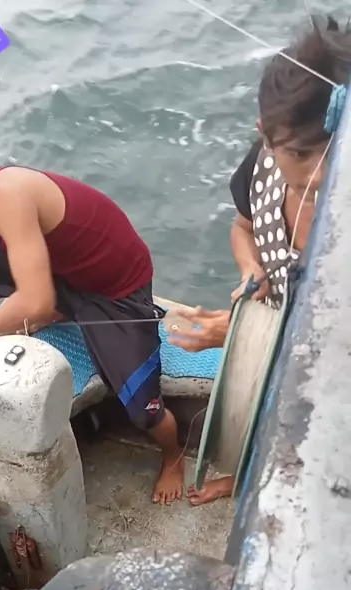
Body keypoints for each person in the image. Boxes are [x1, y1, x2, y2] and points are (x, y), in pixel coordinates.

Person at [0, 103, 184, 505]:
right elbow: (23, 271)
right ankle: (66, 309)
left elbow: (38, 302)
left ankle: (174, 455)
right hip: (71, 279)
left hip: (117, 294)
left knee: (141, 407)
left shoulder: (9, 195)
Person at [168, 15, 351, 506]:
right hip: (282, 335)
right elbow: (243, 227)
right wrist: (253, 267)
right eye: (302, 154)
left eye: (337, 152)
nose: (323, 173)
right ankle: (246, 473)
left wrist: (241, 336)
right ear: (265, 137)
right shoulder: (262, 165)